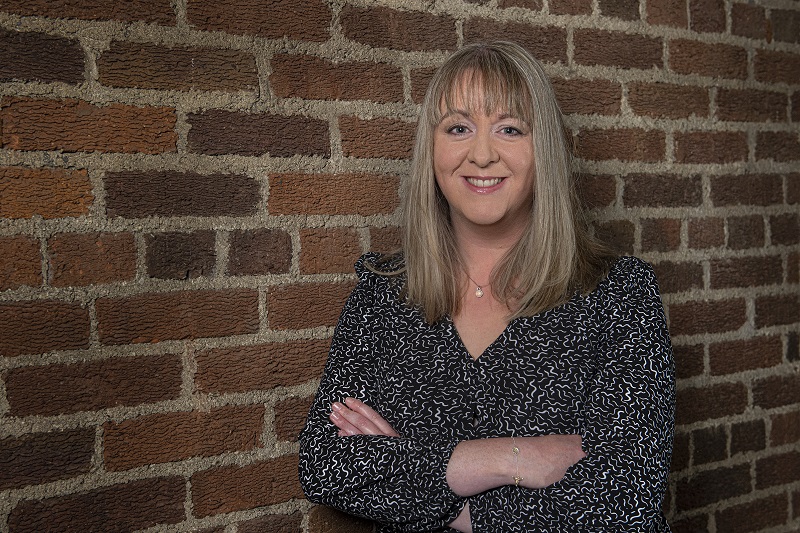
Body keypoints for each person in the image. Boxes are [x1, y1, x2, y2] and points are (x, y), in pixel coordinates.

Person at [298, 41, 674, 532]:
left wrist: (429, 491)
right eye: (458, 128)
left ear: (544, 150)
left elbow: (624, 497)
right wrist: (507, 458)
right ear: (431, 150)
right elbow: (327, 464)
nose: (481, 154)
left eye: (509, 129)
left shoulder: (619, 295)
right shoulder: (382, 294)